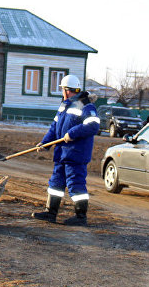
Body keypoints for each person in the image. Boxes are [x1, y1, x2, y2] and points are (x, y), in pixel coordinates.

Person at [31, 74, 100, 226]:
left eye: (62, 89)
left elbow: (93, 125)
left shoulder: (85, 105)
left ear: (67, 90)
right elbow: (54, 127)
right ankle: (51, 212)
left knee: (76, 184)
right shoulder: (64, 105)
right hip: (62, 154)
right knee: (56, 183)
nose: (62, 92)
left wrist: (72, 133)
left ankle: (81, 217)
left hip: (76, 154)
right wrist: (45, 143)